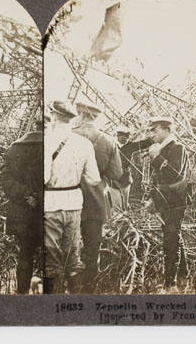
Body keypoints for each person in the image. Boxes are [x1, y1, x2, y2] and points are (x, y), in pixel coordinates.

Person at [43, 100, 100, 293]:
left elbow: (43, 178)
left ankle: (53, 300)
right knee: (73, 257)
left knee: (51, 257)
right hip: (74, 203)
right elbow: (94, 179)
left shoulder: (47, 141)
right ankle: (76, 297)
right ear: (71, 118)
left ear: (54, 115)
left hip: (51, 204)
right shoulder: (84, 144)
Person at [72, 99, 122, 292]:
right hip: (96, 202)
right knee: (92, 250)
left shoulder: (68, 136)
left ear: (81, 115)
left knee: (68, 248)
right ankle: (89, 290)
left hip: (69, 200)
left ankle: (68, 289)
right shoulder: (108, 141)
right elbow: (116, 174)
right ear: (96, 117)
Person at [144, 117, 192, 292]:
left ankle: (170, 284)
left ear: (167, 130)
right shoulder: (161, 148)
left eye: (155, 130)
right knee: (173, 236)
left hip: (175, 202)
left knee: (170, 241)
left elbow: (174, 174)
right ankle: (183, 275)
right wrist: (152, 198)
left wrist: (156, 157)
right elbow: (156, 178)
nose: (151, 134)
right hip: (164, 201)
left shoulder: (178, 148)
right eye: (150, 130)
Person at [0, 117, 43, 294]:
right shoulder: (52, 148)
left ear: (35, 126)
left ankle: (22, 293)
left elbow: (5, 179)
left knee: (25, 253)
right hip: (44, 212)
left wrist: (26, 195)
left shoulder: (14, 148)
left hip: (21, 213)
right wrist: (38, 197)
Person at [111, 126, 133, 213]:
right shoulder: (111, 145)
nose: (125, 138)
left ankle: (125, 216)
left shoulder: (130, 146)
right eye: (122, 135)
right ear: (118, 136)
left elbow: (144, 143)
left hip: (126, 179)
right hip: (113, 180)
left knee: (125, 203)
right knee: (116, 204)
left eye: (127, 136)